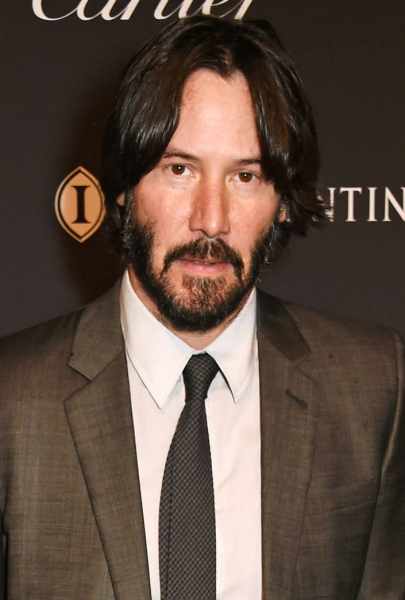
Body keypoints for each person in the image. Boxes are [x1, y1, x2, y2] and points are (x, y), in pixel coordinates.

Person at [0, 15, 404, 600]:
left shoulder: (374, 387)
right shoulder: (12, 402)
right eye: (179, 169)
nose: (211, 219)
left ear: (282, 201)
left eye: (245, 176)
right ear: (124, 186)